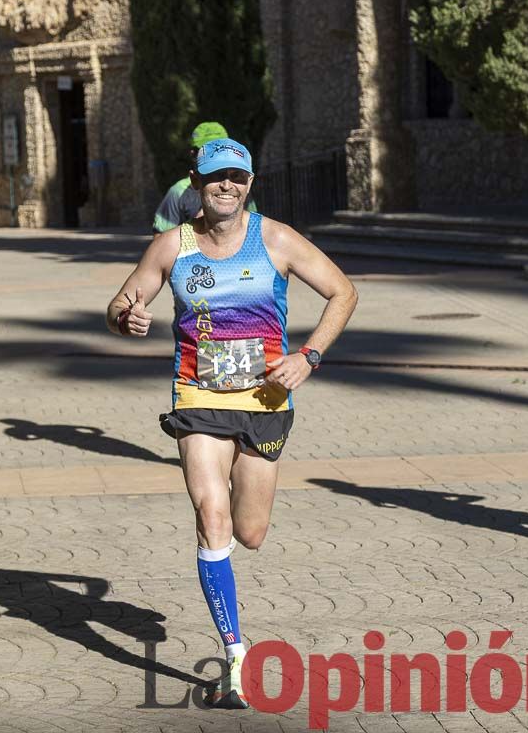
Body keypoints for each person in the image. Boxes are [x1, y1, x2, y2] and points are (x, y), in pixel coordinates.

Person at [107, 137, 358, 708]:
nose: (228, 186)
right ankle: (237, 654)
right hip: (197, 397)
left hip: (266, 400)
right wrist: (129, 317)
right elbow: (120, 305)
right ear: (195, 179)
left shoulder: (275, 239)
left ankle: (229, 591)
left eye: (238, 178)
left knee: (250, 531)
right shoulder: (173, 246)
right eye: (217, 176)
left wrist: (309, 356)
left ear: (251, 183)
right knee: (211, 513)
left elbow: (343, 292)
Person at [152, 121, 256, 234]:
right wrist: (195, 231)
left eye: (220, 150)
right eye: (205, 151)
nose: (226, 186)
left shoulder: (239, 187)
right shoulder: (178, 192)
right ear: (193, 154)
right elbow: (161, 238)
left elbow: (253, 228)